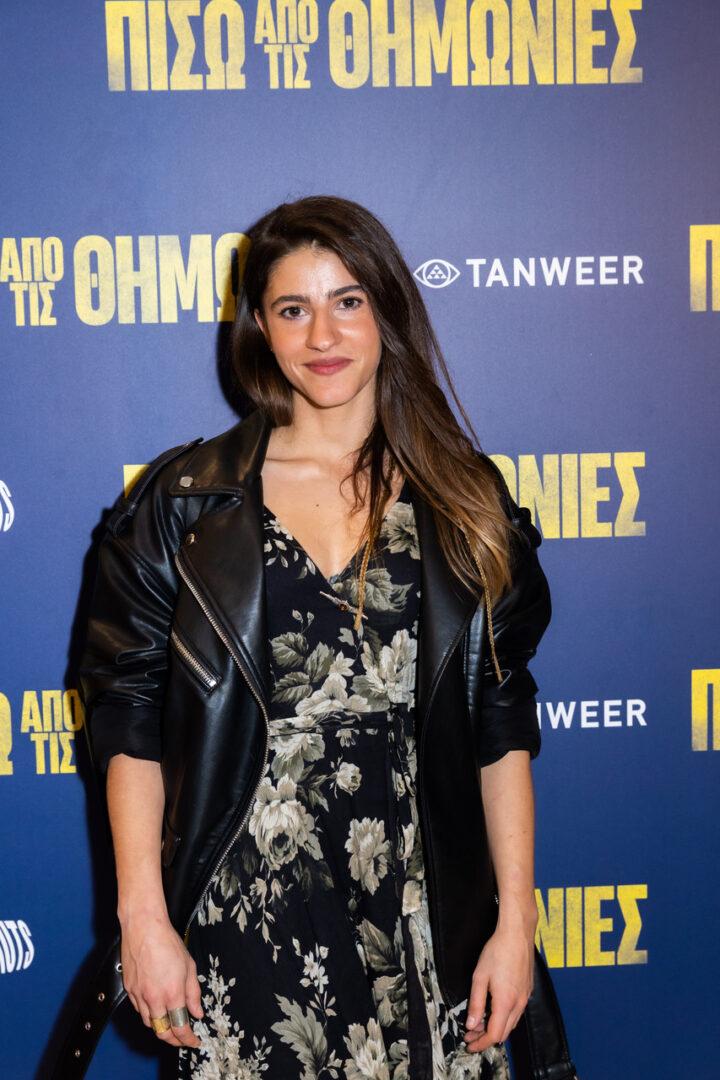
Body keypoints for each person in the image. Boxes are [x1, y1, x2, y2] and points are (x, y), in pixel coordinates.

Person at [77, 195, 552, 1079]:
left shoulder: (463, 500)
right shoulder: (188, 505)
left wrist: (514, 919)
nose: (322, 335)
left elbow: (500, 721)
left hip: (427, 909)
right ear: (260, 327)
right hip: (246, 907)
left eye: (348, 301)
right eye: (293, 308)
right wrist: (143, 917)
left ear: (387, 312)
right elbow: (129, 716)